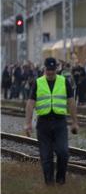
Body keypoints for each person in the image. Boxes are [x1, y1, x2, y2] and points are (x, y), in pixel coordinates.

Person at [24, 57, 79, 185]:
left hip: (60, 122)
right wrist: (27, 123)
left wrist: (75, 122)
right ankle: (49, 184)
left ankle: (60, 180)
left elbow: (71, 103)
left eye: (53, 70)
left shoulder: (63, 82)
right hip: (43, 123)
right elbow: (30, 104)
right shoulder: (38, 83)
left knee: (63, 152)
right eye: (48, 70)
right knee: (46, 156)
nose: (50, 73)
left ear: (56, 69)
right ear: (45, 69)